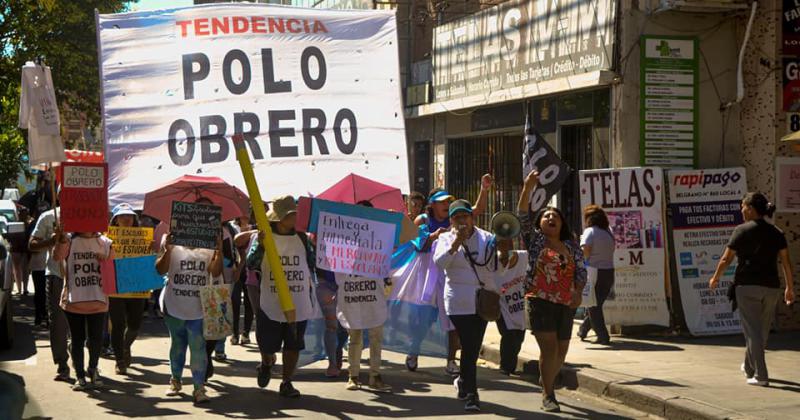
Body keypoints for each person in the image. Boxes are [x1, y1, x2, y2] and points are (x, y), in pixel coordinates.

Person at [405, 175, 492, 375]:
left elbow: (476, 211)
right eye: (442, 201)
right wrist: (433, 236)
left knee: (454, 320)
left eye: (447, 201)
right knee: (424, 318)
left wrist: (484, 189)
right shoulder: (423, 220)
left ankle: (451, 360)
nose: (446, 204)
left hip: (450, 274)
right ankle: (413, 351)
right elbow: (416, 245)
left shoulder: (455, 218)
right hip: (429, 274)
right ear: (432, 205)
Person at [709, 193, 795, 387]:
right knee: (761, 331)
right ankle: (749, 367)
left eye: (743, 207)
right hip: (771, 288)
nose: (741, 210)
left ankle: (761, 375)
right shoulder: (777, 232)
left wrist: (715, 278)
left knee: (753, 332)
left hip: (747, 287)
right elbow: (786, 262)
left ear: (750, 208)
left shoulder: (741, 230)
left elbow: (726, 259)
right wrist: (789, 287)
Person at [518, 171, 586, 413]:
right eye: (546, 216)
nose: (550, 217)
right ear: (540, 224)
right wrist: (528, 187)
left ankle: (545, 379)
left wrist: (578, 293)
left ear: (561, 224)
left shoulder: (571, 245)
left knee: (562, 351)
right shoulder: (536, 241)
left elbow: (580, 271)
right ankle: (549, 394)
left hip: (566, 303)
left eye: (554, 215)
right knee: (549, 349)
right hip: (539, 300)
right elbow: (523, 215)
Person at [246, 195, 318, 398]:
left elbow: (312, 262)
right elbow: (251, 264)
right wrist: (260, 245)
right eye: (290, 214)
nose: (295, 217)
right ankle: (267, 363)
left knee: (293, 344)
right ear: (279, 218)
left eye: (295, 213)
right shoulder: (264, 237)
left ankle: (287, 382)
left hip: (298, 300)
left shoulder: (302, 238)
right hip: (271, 300)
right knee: (267, 345)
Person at [433, 199, 497, 412]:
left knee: (472, 347)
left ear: (472, 217)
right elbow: (440, 263)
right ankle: (472, 394)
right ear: (451, 220)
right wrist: (455, 243)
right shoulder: (445, 238)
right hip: (458, 302)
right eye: (457, 217)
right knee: (469, 347)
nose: (462, 220)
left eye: (465, 216)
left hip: (482, 302)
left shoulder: (486, 237)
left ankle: (463, 381)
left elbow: (494, 265)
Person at [155, 220, 224, 404]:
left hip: (199, 308)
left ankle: (199, 388)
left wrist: (219, 251)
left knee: (198, 348)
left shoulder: (208, 249)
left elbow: (215, 273)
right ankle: (175, 381)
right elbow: (159, 269)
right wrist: (168, 249)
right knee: (177, 344)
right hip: (174, 305)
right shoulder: (171, 243)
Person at [53, 228, 113, 391]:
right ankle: (80, 376)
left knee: (96, 339)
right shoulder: (69, 240)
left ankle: (93, 369)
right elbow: (56, 257)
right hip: (74, 303)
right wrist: (60, 241)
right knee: (77, 340)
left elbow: (113, 269)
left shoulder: (106, 242)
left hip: (98, 301)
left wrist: (105, 260)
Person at [107, 203, 151, 375]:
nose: (126, 218)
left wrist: (149, 249)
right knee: (117, 324)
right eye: (123, 216)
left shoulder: (143, 238)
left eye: (130, 216)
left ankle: (125, 347)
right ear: (115, 220)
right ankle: (119, 360)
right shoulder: (107, 239)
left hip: (136, 287)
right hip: (115, 287)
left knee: (135, 324)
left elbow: (148, 262)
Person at [29, 204, 71, 381]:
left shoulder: (89, 215)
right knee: (58, 323)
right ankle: (62, 364)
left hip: (84, 277)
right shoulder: (48, 217)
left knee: (86, 322)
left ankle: (87, 363)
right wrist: (51, 241)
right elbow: (32, 244)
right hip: (56, 275)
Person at [576, 205, 616, 345]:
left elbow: (585, 251)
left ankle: (603, 335)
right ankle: (583, 330)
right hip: (609, 271)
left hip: (594, 271)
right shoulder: (608, 232)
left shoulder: (589, 232)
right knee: (595, 303)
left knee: (593, 305)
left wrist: (581, 264)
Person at [495, 237, 528, 375]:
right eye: (501, 244)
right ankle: (505, 367)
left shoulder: (523, 257)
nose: (505, 247)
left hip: (520, 307)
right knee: (508, 335)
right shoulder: (492, 264)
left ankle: (510, 364)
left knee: (519, 337)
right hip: (502, 306)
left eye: (507, 243)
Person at [230, 215, 254, 346]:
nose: (245, 216)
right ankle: (234, 333)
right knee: (235, 301)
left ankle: (245, 333)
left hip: (249, 268)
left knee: (249, 302)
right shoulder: (233, 228)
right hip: (235, 268)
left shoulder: (254, 228)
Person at [26, 205, 47, 327]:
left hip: (47, 266)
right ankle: (38, 316)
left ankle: (45, 317)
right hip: (37, 266)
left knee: (46, 294)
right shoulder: (33, 227)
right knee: (39, 293)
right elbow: (30, 246)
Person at [9, 205, 32, 296]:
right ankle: (19, 289)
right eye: (21, 213)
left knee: (25, 270)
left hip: (25, 249)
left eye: (25, 213)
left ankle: (25, 289)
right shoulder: (15, 224)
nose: (23, 215)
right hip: (15, 249)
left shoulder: (29, 225)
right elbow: (10, 237)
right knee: (17, 270)